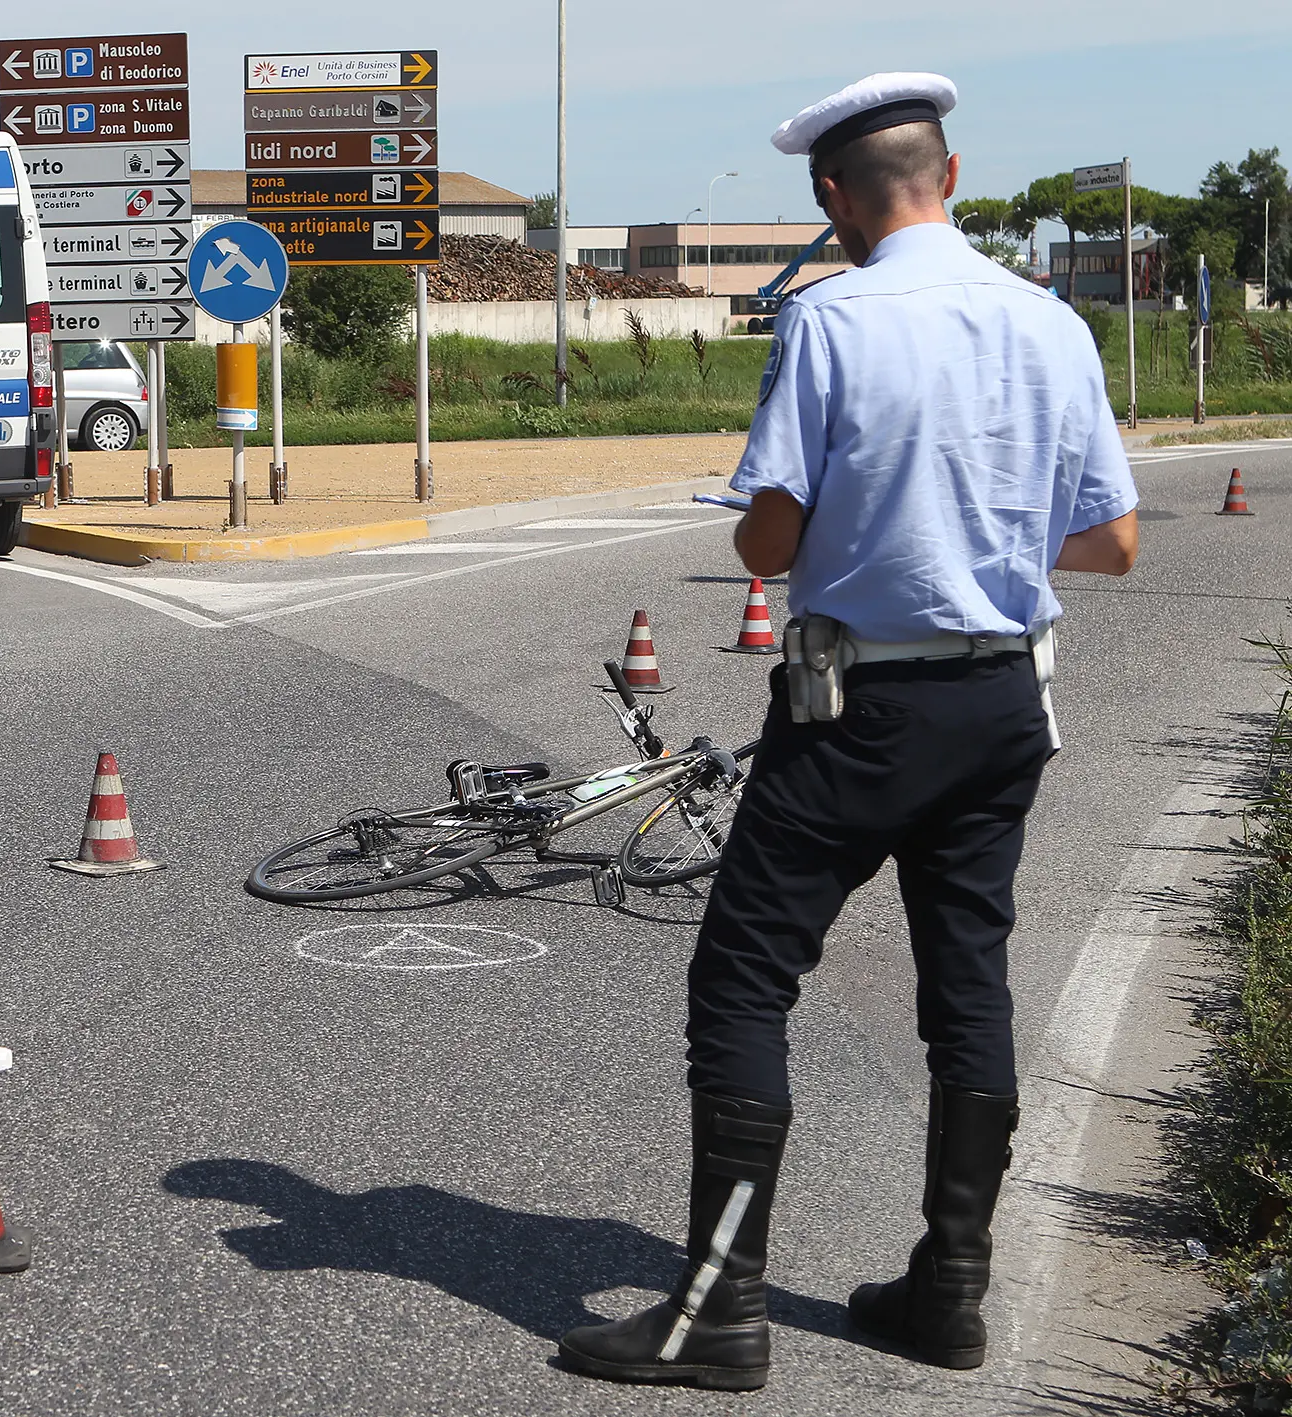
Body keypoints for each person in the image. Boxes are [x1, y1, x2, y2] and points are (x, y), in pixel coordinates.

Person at [557, 72, 1140, 1392]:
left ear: (832, 196)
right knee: (965, 984)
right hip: (1002, 704)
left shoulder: (828, 323)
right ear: (953, 176)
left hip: (856, 708)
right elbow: (1108, 543)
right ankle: (947, 1295)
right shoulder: (1051, 326)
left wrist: (861, 527)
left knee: (743, 978)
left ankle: (716, 1311)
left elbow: (767, 535)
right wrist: (974, 531)